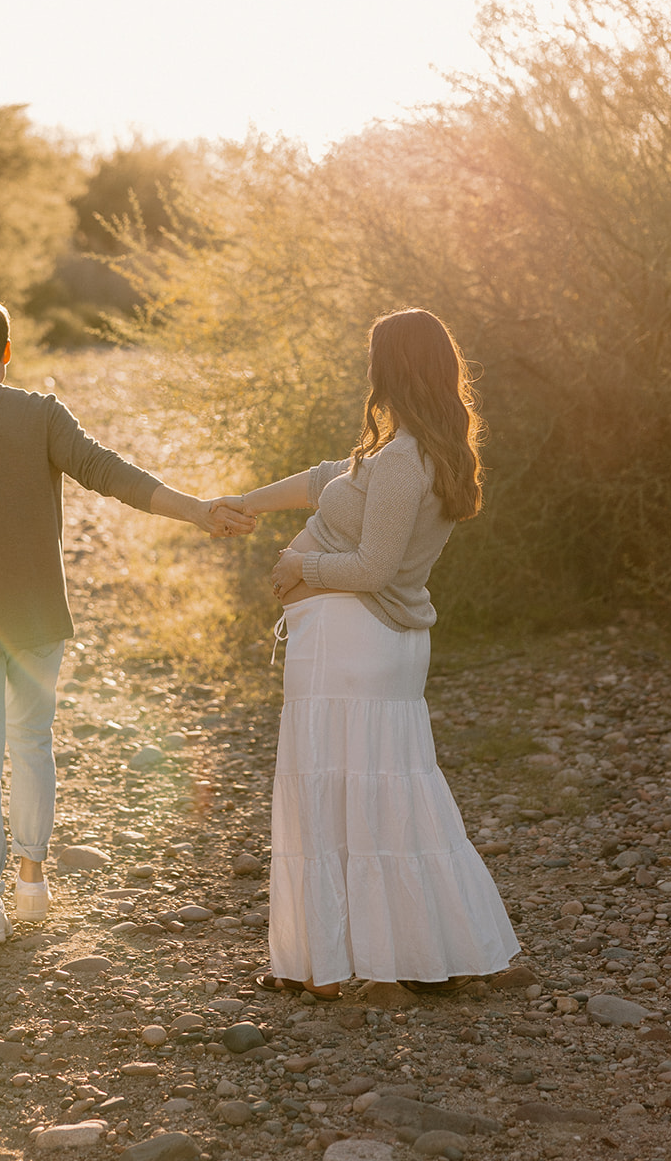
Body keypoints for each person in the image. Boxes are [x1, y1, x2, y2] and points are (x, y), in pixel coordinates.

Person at [0, 294, 254, 949]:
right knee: (32, 741)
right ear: (7, 352)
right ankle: (32, 882)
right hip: (36, 619)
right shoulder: (41, 416)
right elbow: (108, 473)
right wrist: (199, 509)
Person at [213, 308, 518, 999]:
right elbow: (328, 477)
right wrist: (245, 503)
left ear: (392, 368)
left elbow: (374, 567)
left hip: (352, 641)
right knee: (389, 798)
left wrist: (300, 570)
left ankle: (335, 964)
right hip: (379, 644)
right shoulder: (417, 450)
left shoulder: (405, 461)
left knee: (330, 793)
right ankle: (413, 953)